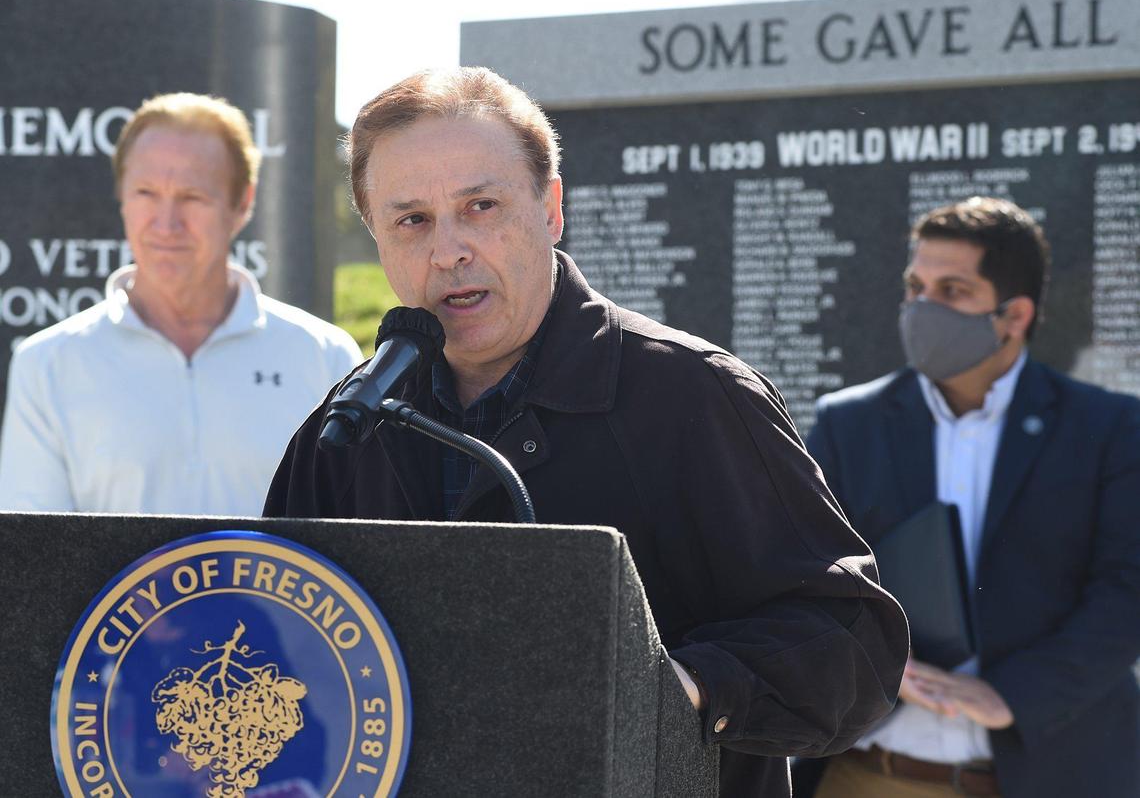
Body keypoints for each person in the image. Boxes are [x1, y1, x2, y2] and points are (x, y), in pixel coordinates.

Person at [263, 66, 909, 796]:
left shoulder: (695, 395)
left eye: (481, 206)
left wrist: (678, 689)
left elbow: (853, 647)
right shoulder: (348, 428)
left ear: (552, 208)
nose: (448, 251)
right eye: (412, 220)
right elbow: (278, 642)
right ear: (377, 238)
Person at [805, 197, 1140, 797]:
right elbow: (808, 572)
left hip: (1053, 775)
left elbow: (1127, 592)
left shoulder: (1110, 429)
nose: (922, 308)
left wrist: (1013, 695)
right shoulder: (849, 423)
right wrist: (873, 660)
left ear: (1014, 316)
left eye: (953, 291)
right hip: (872, 773)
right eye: (916, 286)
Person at [0, 92, 362, 515]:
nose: (167, 222)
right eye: (146, 192)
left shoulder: (326, 357)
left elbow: (348, 542)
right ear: (122, 197)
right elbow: (34, 557)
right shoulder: (46, 365)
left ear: (242, 203)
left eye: (192, 196)